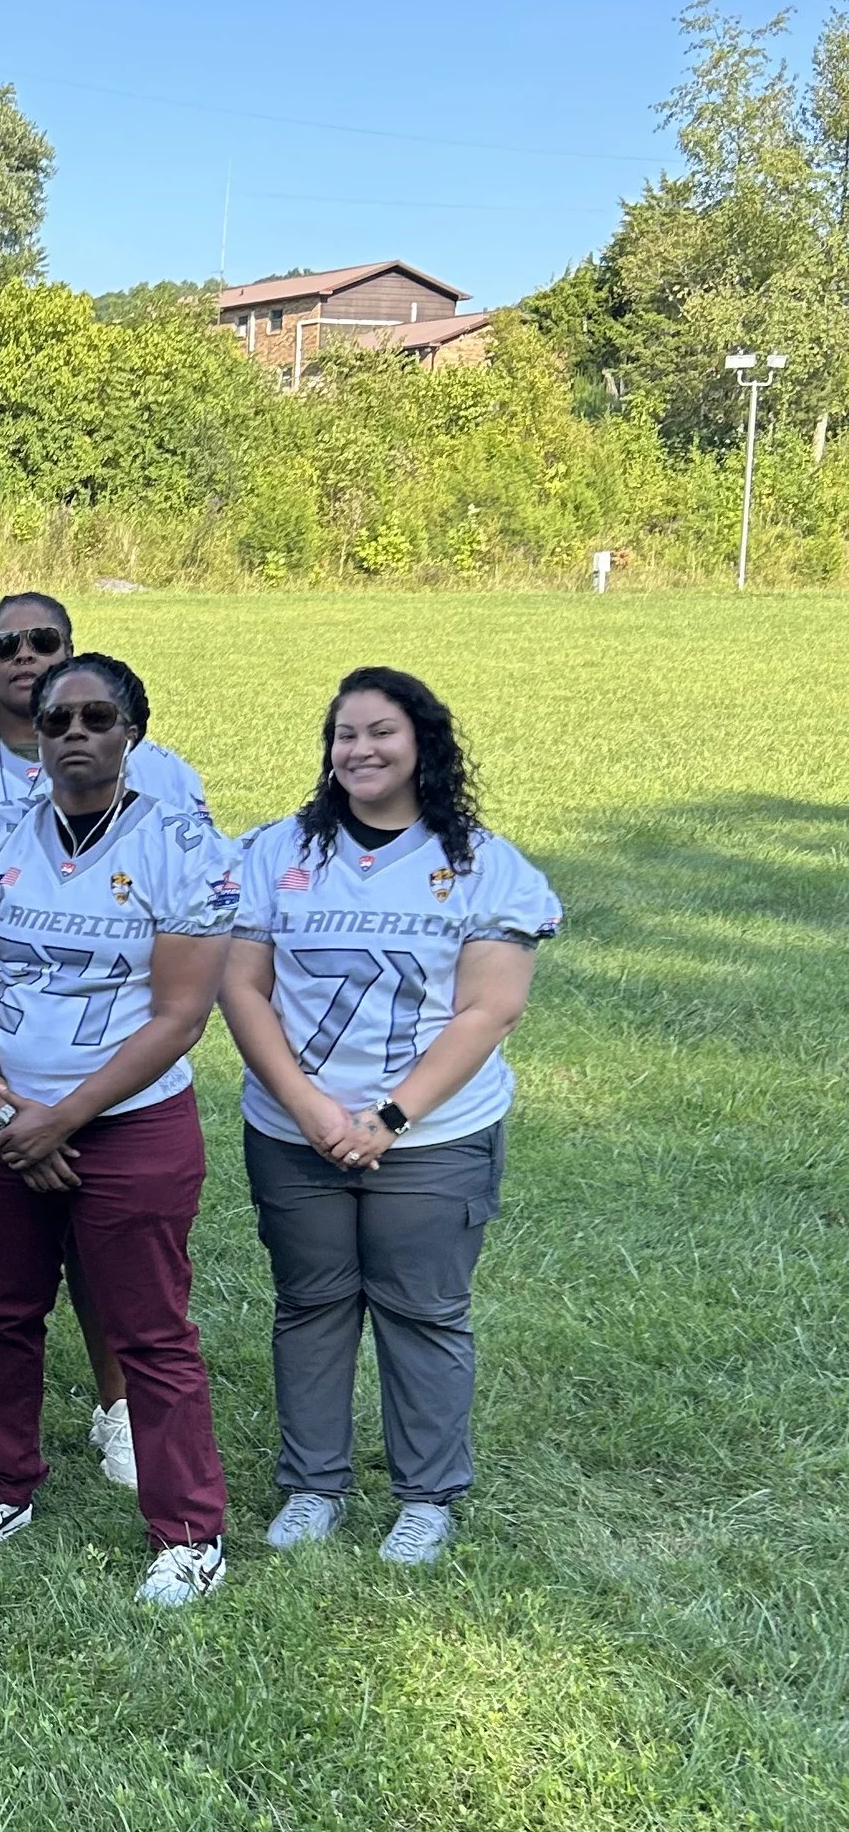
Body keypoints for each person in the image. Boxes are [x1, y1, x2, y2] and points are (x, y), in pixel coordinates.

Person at [0, 590, 214, 1491]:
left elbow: (182, 983)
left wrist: (58, 1112)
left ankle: (119, 1404)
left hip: (108, 1077)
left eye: (44, 643)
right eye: (5, 645)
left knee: (101, 1237)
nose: (24, 657)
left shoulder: (165, 790)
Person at [221, 666, 560, 1566]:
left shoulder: (485, 863)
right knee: (311, 1304)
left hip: (433, 1132)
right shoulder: (275, 852)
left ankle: (426, 1494)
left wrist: (390, 1115)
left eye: (381, 732)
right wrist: (310, 1104)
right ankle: (313, 1483)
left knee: (423, 1310)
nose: (360, 750)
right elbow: (241, 985)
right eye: (345, 734)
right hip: (297, 1127)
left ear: (423, 745)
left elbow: (490, 1009)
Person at [0, 650, 240, 1608]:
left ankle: (189, 1528)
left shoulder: (181, 847)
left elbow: (181, 1015)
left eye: (97, 719)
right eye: (58, 719)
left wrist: (61, 1118)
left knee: (149, 1329)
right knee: (2, 1311)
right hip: (4, 1113)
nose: (74, 735)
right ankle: (1, 1483)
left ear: (132, 733)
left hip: (128, 1121)